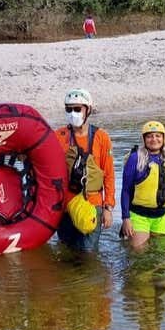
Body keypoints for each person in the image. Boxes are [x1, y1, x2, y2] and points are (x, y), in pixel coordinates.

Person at [54, 88, 115, 252]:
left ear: (88, 109)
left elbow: (108, 174)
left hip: (92, 204)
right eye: (69, 109)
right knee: (66, 249)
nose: (72, 113)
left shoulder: (101, 137)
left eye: (77, 109)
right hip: (66, 205)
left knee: (88, 254)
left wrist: (108, 208)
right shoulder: (59, 136)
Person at [120, 121, 165, 248]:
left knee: (160, 254)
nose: (154, 139)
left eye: (158, 135)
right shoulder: (135, 158)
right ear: (144, 139)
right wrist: (125, 218)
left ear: (164, 138)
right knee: (138, 254)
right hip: (139, 215)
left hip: (162, 216)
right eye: (149, 136)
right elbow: (125, 190)